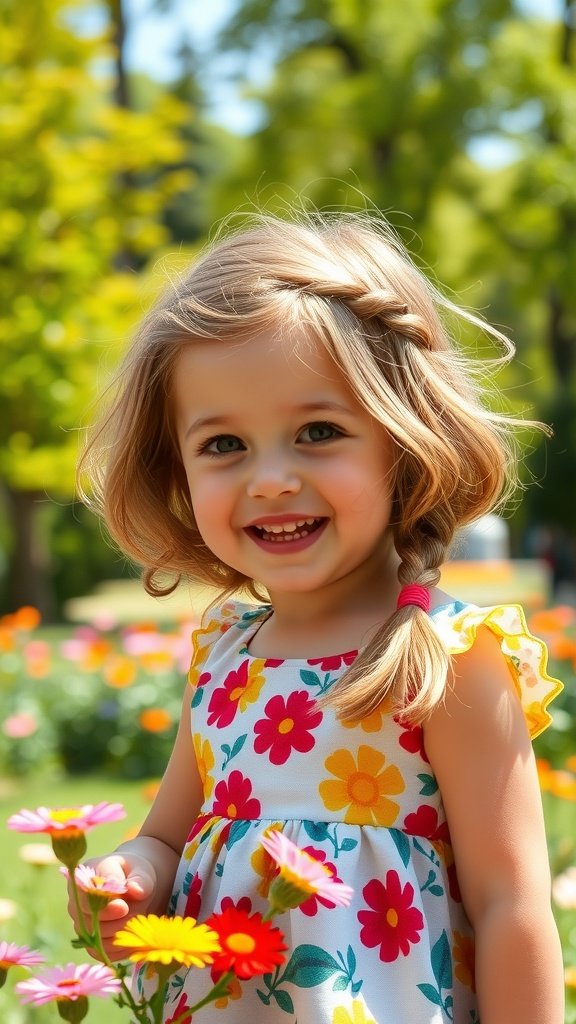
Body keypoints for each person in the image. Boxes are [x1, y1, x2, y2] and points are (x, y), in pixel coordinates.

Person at [69, 211, 565, 1023]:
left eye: (318, 432)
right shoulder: (227, 656)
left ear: (406, 445)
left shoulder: (444, 656)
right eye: (223, 445)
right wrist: (129, 875)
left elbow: (512, 906)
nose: (269, 479)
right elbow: (166, 834)